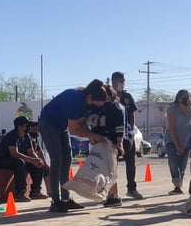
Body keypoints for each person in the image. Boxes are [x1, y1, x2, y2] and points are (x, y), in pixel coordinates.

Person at [38, 79, 110, 213]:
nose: (97, 107)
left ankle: (66, 199)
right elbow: (74, 130)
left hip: (61, 125)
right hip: (48, 124)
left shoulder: (86, 100)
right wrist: (94, 136)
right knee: (57, 160)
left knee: (67, 159)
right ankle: (55, 201)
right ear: (90, 98)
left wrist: (91, 135)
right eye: (96, 104)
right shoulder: (76, 99)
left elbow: (82, 122)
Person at [86, 85, 126, 207]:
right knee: (100, 169)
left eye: (107, 97)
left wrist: (119, 143)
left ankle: (114, 196)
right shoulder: (96, 107)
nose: (105, 100)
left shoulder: (117, 107)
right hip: (98, 141)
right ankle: (107, 193)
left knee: (110, 169)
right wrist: (91, 136)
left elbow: (120, 127)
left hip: (111, 141)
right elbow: (89, 122)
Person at [0, 116, 45, 202]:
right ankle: (20, 193)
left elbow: (31, 152)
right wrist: (32, 160)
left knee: (39, 163)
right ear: (20, 126)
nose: (29, 127)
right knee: (20, 162)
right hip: (3, 160)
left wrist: (37, 160)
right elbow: (14, 153)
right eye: (27, 125)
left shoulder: (27, 136)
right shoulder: (12, 136)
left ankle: (35, 191)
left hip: (18, 159)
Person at [110, 71, 143, 200]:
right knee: (112, 163)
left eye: (123, 81)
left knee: (131, 161)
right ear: (113, 81)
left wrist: (131, 131)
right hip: (113, 135)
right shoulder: (108, 96)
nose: (122, 83)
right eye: (120, 80)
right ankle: (111, 191)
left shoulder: (127, 96)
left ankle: (132, 188)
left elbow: (131, 114)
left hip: (127, 134)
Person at [163, 89, 191, 195]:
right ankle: (177, 185)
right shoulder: (171, 110)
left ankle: (179, 186)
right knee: (173, 162)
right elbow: (172, 129)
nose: (185, 107)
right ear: (179, 101)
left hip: (187, 138)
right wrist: (177, 145)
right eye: (185, 103)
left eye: (188, 103)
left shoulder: (190, 109)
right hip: (172, 139)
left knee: (182, 164)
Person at [27, 121, 50, 199]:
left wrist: (46, 163)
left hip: (33, 159)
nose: (36, 131)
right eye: (34, 129)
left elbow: (40, 151)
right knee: (39, 166)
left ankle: (50, 192)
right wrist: (37, 160)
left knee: (46, 168)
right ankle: (35, 191)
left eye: (37, 129)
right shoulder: (28, 137)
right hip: (27, 159)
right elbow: (30, 152)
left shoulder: (35, 138)